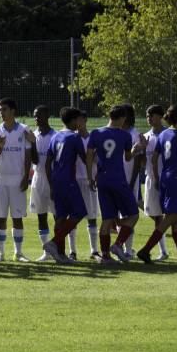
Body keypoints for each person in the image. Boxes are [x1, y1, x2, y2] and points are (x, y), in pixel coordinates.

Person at [85, 104, 147, 263]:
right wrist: (137, 148)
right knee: (133, 214)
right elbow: (128, 158)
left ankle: (105, 256)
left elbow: (89, 156)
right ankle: (118, 245)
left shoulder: (96, 133)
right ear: (123, 118)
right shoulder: (124, 135)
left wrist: (90, 177)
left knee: (107, 219)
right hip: (118, 179)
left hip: (102, 180)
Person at [136, 105, 177, 264]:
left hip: (164, 177)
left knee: (176, 218)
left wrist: (157, 178)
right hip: (175, 179)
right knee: (170, 217)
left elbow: (154, 159)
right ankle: (145, 250)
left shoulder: (163, 135)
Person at [0, 97, 36, 263]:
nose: (1, 113)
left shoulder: (24, 130)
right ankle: (0, 254)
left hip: (18, 179)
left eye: (4, 109)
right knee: (0, 217)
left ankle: (18, 253)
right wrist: (0, 146)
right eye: (0, 110)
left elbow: (28, 156)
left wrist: (26, 177)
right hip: (0, 179)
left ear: (13, 110)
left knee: (17, 217)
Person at [42, 107, 88, 263]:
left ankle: (60, 255)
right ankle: (54, 242)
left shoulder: (55, 137)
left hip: (56, 180)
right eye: (79, 120)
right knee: (80, 212)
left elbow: (47, 163)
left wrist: (51, 185)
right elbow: (85, 158)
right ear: (73, 120)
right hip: (68, 180)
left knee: (61, 216)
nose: (80, 122)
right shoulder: (74, 137)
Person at [142, 105, 170, 261]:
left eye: (151, 115)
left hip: (167, 179)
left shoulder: (168, 135)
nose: (149, 118)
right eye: (147, 116)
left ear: (160, 116)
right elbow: (142, 163)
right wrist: (141, 149)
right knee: (157, 216)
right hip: (151, 179)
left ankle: (175, 251)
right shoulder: (146, 137)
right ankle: (163, 251)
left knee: (172, 215)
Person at [29, 105, 57, 261]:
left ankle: (59, 248)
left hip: (53, 179)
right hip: (38, 178)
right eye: (34, 116)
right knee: (41, 216)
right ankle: (46, 252)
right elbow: (35, 160)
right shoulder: (32, 136)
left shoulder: (56, 135)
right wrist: (33, 143)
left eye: (39, 115)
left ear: (47, 116)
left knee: (58, 216)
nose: (36, 118)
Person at [75, 110, 101, 260]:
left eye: (79, 119)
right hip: (75, 181)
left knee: (92, 216)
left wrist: (96, 175)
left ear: (85, 120)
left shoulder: (94, 138)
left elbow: (99, 160)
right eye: (75, 120)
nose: (77, 123)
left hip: (90, 180)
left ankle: (94, 250)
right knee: (72, 217)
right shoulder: (72, 138)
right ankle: (72, 251)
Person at [121, 104, 143, 258]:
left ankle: (128, 250)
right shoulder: (116, 132)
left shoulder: (135, 135)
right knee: (119, 216)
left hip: (129, 181)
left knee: (129, 215)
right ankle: (122, 248)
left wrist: (132, 181)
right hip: (117, 179)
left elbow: (138, 161)